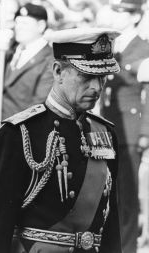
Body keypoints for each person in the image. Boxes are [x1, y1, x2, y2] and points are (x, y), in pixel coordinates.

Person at [0, 27, 122, 253]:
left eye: (102, 77)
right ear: (58, 71)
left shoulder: (105, 134)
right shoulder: (18, 134)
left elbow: (109, 227)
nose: (97, 87)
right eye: (87, 76)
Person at [97, 1, 149, 252]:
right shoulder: (112, 45)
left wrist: (145, 133)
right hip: (109, 125)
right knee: (109, 190)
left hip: (130, 128)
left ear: (134, 16)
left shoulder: (142, 46)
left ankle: (126, 247)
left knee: (126, 194)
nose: (116, 17)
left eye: (122, 12)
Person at [0, 2, 54, 120]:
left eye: (24, 23)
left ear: (41, 26)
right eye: (17, 22)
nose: (19, 26)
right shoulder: (11, 50)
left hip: (22, 131)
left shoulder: (49, 60)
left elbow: (40, 107)